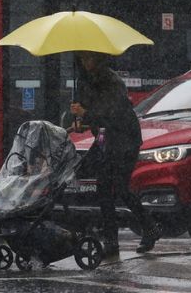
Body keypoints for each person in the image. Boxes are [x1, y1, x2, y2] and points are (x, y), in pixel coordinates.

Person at [69, 51, 161, 256]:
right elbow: (95, 116)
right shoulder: (85, 81)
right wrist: (80, 120)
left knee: (119, 186)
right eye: (82, 59)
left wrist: (86, 114)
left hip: (124, 138)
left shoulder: (112, 81)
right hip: (104, 137)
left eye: (89, 58)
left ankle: (149, 226)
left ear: (98, 59)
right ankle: (111, 240)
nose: (86, 63)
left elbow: (111, 113)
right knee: (103, 188)